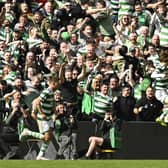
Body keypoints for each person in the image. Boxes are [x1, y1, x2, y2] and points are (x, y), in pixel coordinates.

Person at [20, 74, 59, 160]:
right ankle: (27, 132)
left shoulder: (52, 91)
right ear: (53, 83)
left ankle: (40, 156)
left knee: (48, 137)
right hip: (43, 117)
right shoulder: (47, 91)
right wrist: (41, 113)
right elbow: (37, 102)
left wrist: (54, 109)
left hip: (48, 117)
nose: (58, 85)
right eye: (57, 83)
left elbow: (51, 102)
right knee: (47, 137)